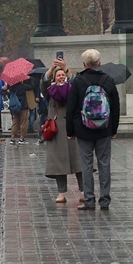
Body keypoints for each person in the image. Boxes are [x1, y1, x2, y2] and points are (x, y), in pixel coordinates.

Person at [66, 49, 120, 210]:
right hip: (104, 128)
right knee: (104, 164)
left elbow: (71, 107)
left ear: (84, 64)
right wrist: (113, 129)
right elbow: (115, 107)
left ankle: (89, 200)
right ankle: (105, 200)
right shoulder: (108, 80)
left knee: (86, 165)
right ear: (99, 63)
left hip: (83, 128)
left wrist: (70, 131)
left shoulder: (78, 81)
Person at [41, 62, 83, 203]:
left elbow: (77, 81)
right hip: (56, 130)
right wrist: (52, 69)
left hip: (73, 128)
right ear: (54, 78)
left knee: (79, 162)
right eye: (58, 75)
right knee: (59, 164)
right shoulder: (50, 90)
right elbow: (43, 82)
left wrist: (66, 69)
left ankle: (84, 191)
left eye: (63, 75)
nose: (61, 77)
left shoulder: (73, 88)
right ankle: (61, 193)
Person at [8, 78, 31, 145]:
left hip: (15, 107)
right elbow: (30, 87)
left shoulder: (12, 87)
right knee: (24, 122)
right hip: (23, 106)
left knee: (15, 122)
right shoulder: (23, 86)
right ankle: (22, 138)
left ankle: (12, 138)